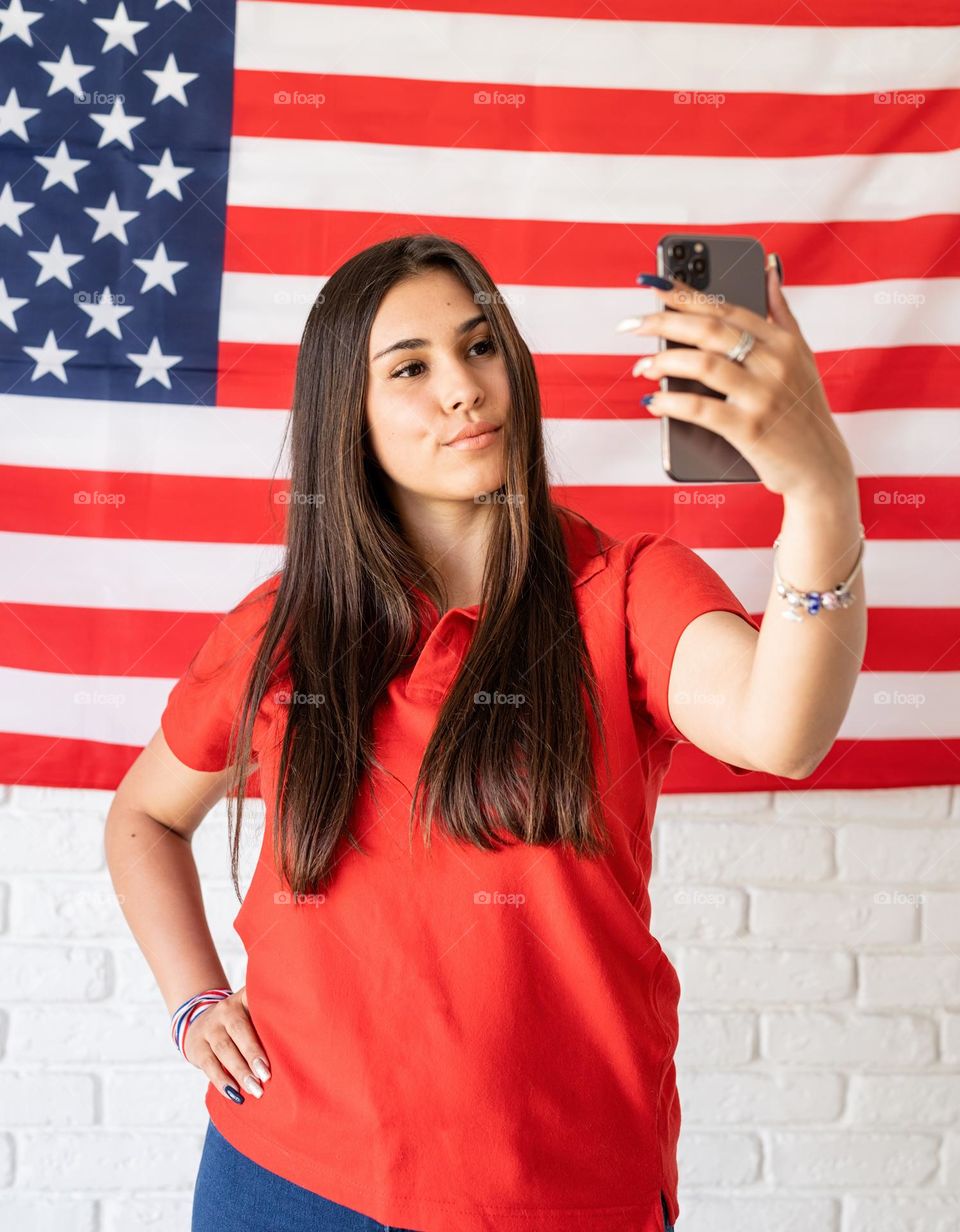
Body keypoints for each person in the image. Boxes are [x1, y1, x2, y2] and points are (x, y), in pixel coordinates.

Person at [105, 235, 865, 1232]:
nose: (463, 387)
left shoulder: (629, 587)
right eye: (411, 368)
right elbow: (142, 820)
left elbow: (784, 730)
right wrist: (195, 997)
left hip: (555, 1192)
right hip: (280, 1175)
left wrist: (820, 492)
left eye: (480, 347)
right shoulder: (283, 625)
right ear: (351, 415)